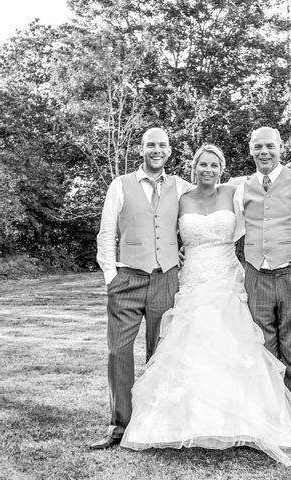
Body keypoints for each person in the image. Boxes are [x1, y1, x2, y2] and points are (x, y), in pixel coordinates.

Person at [120, 144, 291, 466]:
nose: (208, 169)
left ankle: (243, 421)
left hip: (226, 278)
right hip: (192, 279)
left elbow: (265, 184)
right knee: (189, 347)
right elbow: (159, 227)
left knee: (232, 348)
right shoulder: (180, 196)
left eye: (214, 164)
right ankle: (185, 422)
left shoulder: (235, 190)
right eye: (202, 164)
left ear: (222, 168)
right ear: (194, 168)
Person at [90, 127, 194, 450]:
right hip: (128, 278)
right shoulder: (120, 186)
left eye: (162, 145)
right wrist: (111, 275)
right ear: (142, 149)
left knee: (160, 353)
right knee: (118, 351)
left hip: (166, 278)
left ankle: (155, 424)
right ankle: (120, 425)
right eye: (151, 144)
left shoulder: (180, 187)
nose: (157, 150)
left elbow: (216, 188)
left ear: (170, 150)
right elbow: (106, 232)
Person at [233, 127, 291, 417]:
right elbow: (232, 231)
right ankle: (270, 420)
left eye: (270, 146)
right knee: (264, 353)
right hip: (256, 277)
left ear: (280, 147)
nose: (264, 152)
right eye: (258, 146)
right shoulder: (241, 188)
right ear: (251, 150)